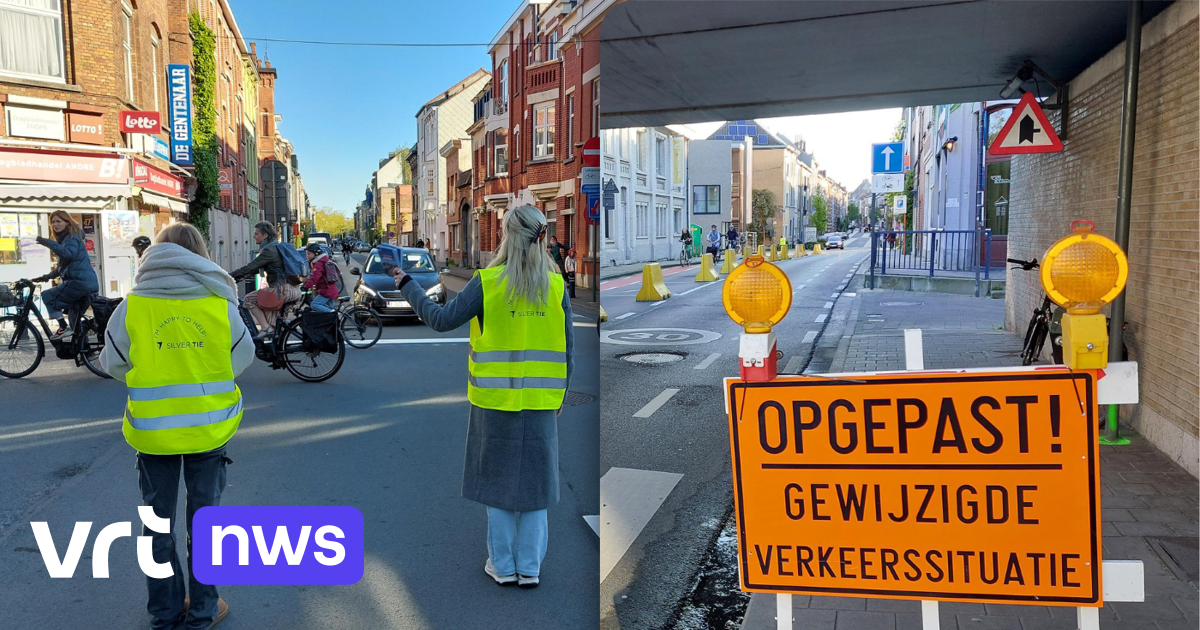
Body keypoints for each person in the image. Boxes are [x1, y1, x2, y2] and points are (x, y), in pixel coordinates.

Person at [392, 204, 573, 589]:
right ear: (542, 238)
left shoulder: (488, 282)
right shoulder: (556, 286)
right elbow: (568, 349)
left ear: (507, 236)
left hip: (493, 402)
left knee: (499, 485)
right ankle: (530, 568)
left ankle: (503, 566)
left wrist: (408, 285)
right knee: (536, 488)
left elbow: (440, 320)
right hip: (541, 403)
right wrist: (559, 397)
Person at [99, 222, 254, 630]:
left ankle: (164, 614)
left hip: (153, 434)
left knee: (156, 525)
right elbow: (242, 357)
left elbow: (112, 363)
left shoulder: (134, 304)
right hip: (209, 429)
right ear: (200, 254)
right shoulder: (219, 302)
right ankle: (202, 612)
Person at [31, 211, 99, 339]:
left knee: (48, 296)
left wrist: (48, 242)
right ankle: (84, 352)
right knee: (74, 318)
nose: (55, 224)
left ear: (67, 222)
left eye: (58, 221)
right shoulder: (69, 238)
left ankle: (63, 327)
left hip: (79, 283)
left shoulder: (71, 237)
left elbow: (68, 254)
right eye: (53, 222)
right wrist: (46, 277)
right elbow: (63, 266)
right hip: (87, 283)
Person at [230, 222, 301, 338]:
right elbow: (259, 269)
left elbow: (250, 267)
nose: (254, 236)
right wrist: (243, 276)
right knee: (275, 326)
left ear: (265, 235)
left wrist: (228, 276)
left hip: (281, 291)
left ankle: (265, 328)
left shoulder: (269, 251)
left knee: (249, 299)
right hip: (292, 289)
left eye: (257, 234)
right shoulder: (276, 247)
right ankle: (275, 346)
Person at [303, 243, 340, 313]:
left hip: (326, 291)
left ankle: (334, 314)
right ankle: (335, 319)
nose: (307, 256)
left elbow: (315, 277)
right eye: (306, 254)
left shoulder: (319, 263)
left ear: (316, 254)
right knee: (328, 311)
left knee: (314, 305)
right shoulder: (322, 261)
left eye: (309, 253)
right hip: (330, 289)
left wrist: (306, 287)